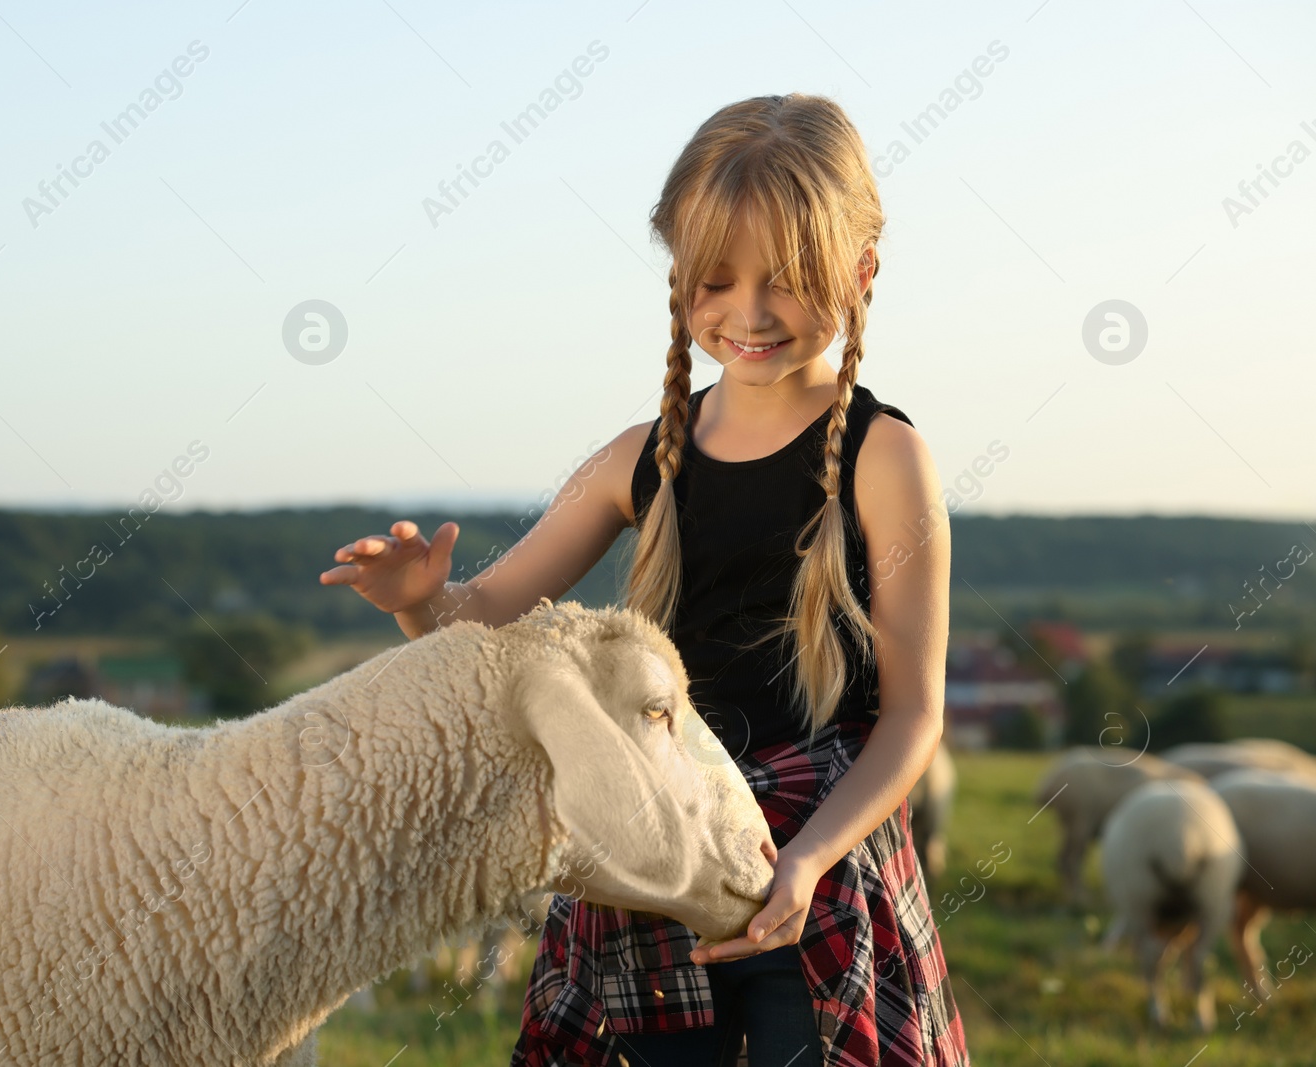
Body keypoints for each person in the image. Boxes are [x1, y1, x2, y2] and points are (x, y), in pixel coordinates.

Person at [318, 92, 968, 1067]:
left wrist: (806, 859)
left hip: (816, 877)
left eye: (787, 280)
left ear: (861, 271)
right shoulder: (639, 458)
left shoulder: (884, 455)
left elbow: (913, 717)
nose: (747, 313)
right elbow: (484, 618)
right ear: (678, 280)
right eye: (714, 280)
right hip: (654, 856)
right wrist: (419, 598)